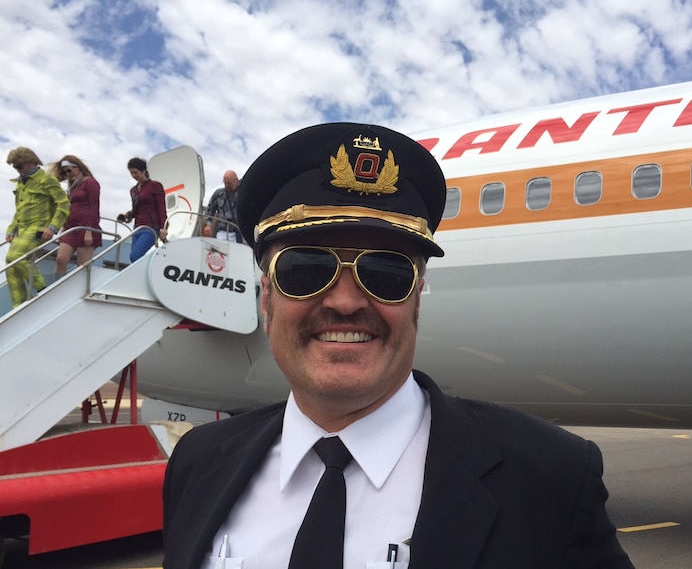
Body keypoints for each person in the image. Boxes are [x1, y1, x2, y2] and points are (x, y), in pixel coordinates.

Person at [161, 123, 634, 569]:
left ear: (416, 303)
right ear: (266, 300)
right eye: (305, 269)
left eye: (385, 273)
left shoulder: (553, 479)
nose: (345, 302)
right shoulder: (197, 464)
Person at [5, 147, 70, 307]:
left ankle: (42, 290)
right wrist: (11, 229)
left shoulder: (47, 180)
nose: (17, 170)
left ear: (32, 162)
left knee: (15, 257)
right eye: (14, 167)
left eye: (19, 166)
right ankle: (18, 306)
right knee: (11, 266)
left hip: (38, 228)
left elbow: (63, 204)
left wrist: (53, 227)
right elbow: (20, 209)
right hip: (21, 228)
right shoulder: (21, 183)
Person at [50, 155, 102, 278]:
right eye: (65, 172)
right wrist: (64, 227)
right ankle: (57, 286)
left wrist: (89, 231)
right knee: (61, 259)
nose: (68, 174)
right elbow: (69, 208)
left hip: (86, 228)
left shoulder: (90, 182)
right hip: (71, 228)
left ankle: (78, 290)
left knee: (82, 266)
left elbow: (94, 207)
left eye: (69, 170)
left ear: (78, 167)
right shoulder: (73, 187)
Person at [118, 157, 167, 262]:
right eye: (131, 173)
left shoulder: (155, 186)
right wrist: (127, 215)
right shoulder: (133, 190)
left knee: (135, 256)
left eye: (135, 172)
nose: (133, 176)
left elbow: (161, 207)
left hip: (151, 227)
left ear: (143, 171)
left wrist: (163, 227)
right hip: (137, 227)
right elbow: (136, 209)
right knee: (134, 259)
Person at [202, 169, 243, 242]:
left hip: (241, 233)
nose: (227, 185)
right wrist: (208, 225)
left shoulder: (244, 193)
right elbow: (209, 211)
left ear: (236, 180)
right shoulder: (219, 194)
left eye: (229, 183)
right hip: (223, 233)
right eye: (225, 183)